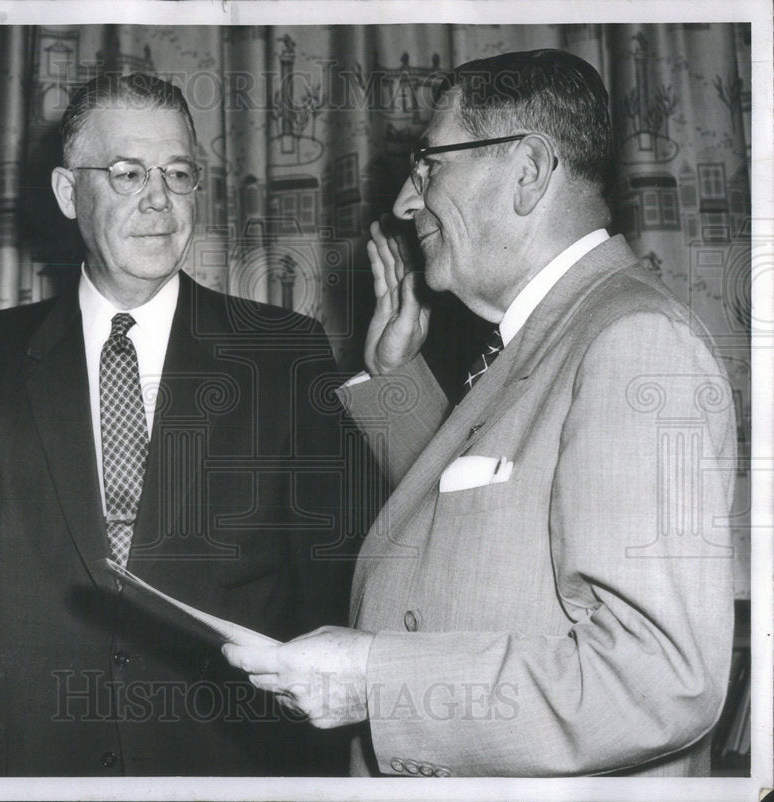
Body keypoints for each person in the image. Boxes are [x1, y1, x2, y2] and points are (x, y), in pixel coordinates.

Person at [0, 73, 365, 776]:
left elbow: (348, 575)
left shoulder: (283, 350)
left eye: (178, 173)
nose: (159, 200)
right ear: (65, 193)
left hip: (229, 767)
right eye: (126, 173)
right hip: (30, 765)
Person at [223, 49, 737, 777]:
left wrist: (379, 679)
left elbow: (660, 679)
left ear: (527, 172)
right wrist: (396, 382)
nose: (406, 201)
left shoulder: (635, 343)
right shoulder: (549, 335)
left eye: (430, 164)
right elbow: (486, 537)